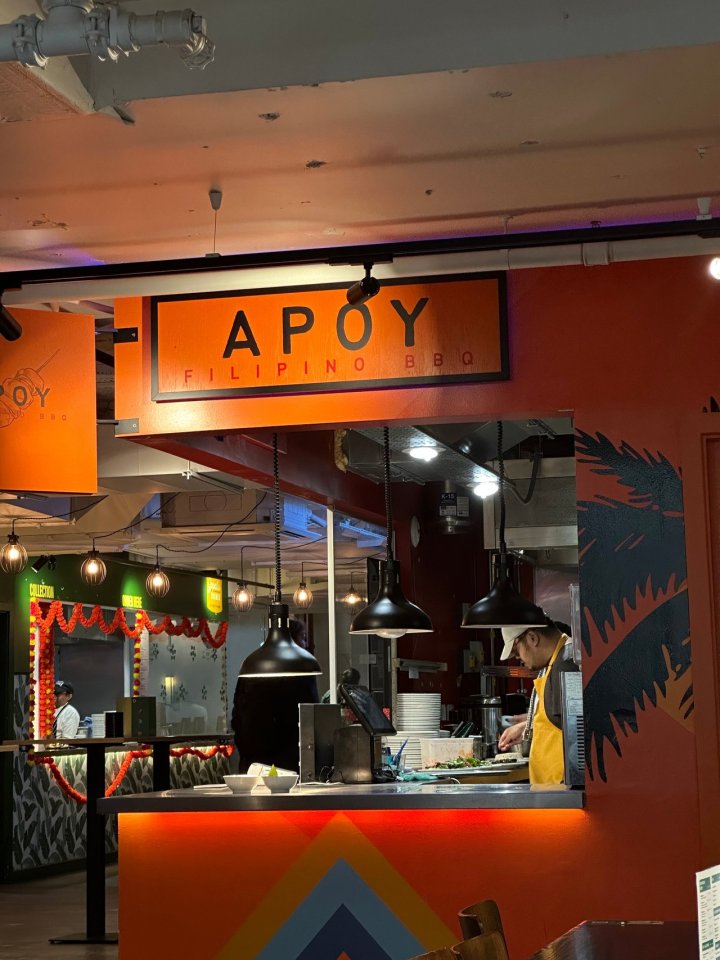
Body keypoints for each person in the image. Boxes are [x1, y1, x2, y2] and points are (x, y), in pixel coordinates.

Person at [496, 617, 579, 784]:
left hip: (563, 788)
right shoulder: (555, 663)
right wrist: (527, 727)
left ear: (532, 638)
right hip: (553, 789)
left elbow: (577, 729)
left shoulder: (567, 664)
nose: (517, 658)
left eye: (516, 650)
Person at [231, 618, 320, 773]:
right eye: (303, 637)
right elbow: (310, 717)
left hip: (252, 765)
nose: (306, 644)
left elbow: (238, 714)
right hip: (289, 765)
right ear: (293, 640)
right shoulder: (303, 671)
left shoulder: (252, 666)